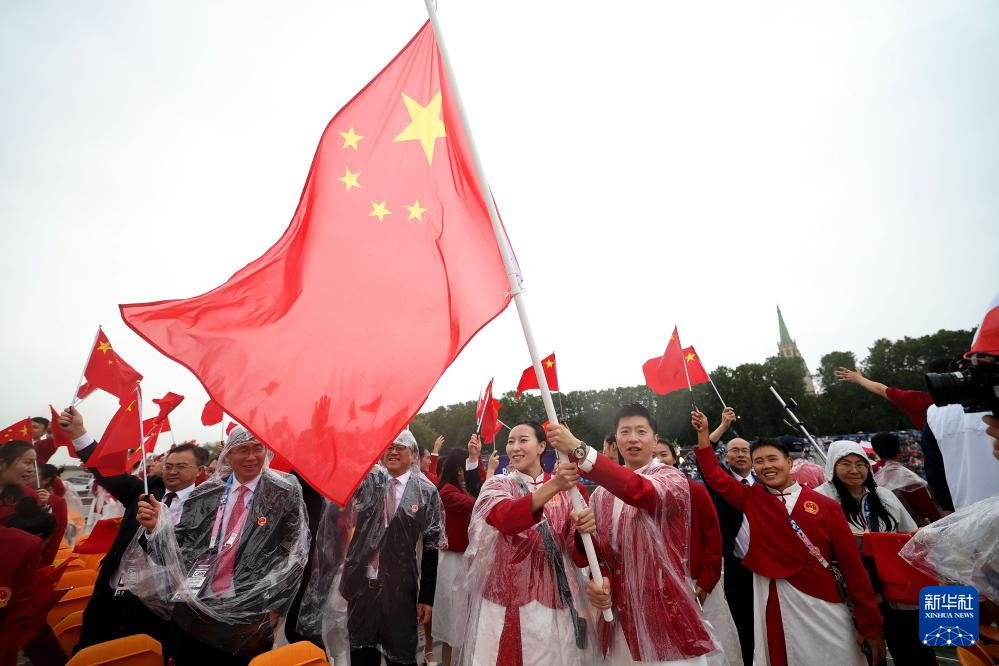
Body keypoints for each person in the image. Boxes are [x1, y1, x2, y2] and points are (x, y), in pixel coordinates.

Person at [691, 410, 884, 666]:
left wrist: (870, 624)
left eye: (773, 459)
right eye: (759, 461)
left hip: (823, 599)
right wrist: (704, 433)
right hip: (775, 596)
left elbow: (853, 568)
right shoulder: (751, 498)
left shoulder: (825, 506)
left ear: (789, 462)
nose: (767, 466)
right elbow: (713, 475)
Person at [547, 405, 719, 664]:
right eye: (625, 432)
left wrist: (580, 450)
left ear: (655, 440)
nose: (633, 439)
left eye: (641, 431)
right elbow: (595, 558)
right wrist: (598, 580)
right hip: (620, 622)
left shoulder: (672, 480)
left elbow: (640, 492)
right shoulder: (601, 495)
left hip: (665, 619)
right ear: (616, 440)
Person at [134, 426, 308, 665]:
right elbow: (178, 552)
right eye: (243, 449)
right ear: (228, 454)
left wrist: (275, 609)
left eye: (257, 449)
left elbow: (296, 554)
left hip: (249, 615)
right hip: (196, 609)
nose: (251, 457)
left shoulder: (283, 492)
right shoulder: (205, 493)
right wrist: (157, 530)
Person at [58, 404, 208, 657]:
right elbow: (107, 471)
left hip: (159, 603)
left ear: (200, 471)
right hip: (113, 591)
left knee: (141, 655)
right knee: (90, 651)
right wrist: (78, 432)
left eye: (181, 466)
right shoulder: (146, 490)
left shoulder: (208, 505)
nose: (172, 471)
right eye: (168, 465)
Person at [459, 421, 598, 665]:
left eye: (523, 440)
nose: (514, 447)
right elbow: (505, 518)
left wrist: (582, 532)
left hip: (554, 602)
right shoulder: (498, 484)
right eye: (510, 442)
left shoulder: (571, 492)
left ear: (542, 446)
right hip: (504, 603)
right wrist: (554, 485)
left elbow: (578, 557)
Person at [814, 441, 932, 665]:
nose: (854, 470)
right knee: (869, 652)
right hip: (852, 590)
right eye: (845, 464)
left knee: (911, 649)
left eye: (860, 464)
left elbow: (909, 534)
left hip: (895, 585)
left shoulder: (884, 495)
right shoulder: (819, 499)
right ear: (832, 466)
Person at [336, 431, 441, 666]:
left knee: (401, 657)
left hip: (400, 591)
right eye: (389, 447)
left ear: (413, 454)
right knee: (362, 655)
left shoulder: (426, 491)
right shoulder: (367, 481)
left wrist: (426, 597)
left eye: (400, 447)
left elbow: (432, 547)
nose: (393, 452)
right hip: (363, 588)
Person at [694, 408, 755, 666]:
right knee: (744, 624)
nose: (740, 454)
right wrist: (720, 427)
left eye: (745, 451)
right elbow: (705, 461)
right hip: (737, 567)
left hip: (772, 568)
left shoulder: (768, 483)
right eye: (735, 450)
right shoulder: (721, 483)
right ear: (726, 456)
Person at [433, 448, 477, 666]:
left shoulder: (459, 489)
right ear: (459, 469)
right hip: (451, 562)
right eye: (466, 467)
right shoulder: (447, 492)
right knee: (451, 625)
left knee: (465, 622)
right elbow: (476, 503)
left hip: (464, 559)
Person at [925, 402, 999, 510]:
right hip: (971, 512)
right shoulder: (934, 412)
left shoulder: (935, 412)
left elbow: (935, 471)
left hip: (968, 509)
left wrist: (948, 508)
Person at [869, 432, 941, 525]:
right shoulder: (907, 476)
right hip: (911, 527)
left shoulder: (869, 471)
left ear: (875, 450)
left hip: (881, 525)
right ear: (898, 449)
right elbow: (927, 508)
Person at [35, 464, 67, 565]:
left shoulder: (56, 503)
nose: (26, 475)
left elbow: (54, 538)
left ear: (46, 480)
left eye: (32, 473)